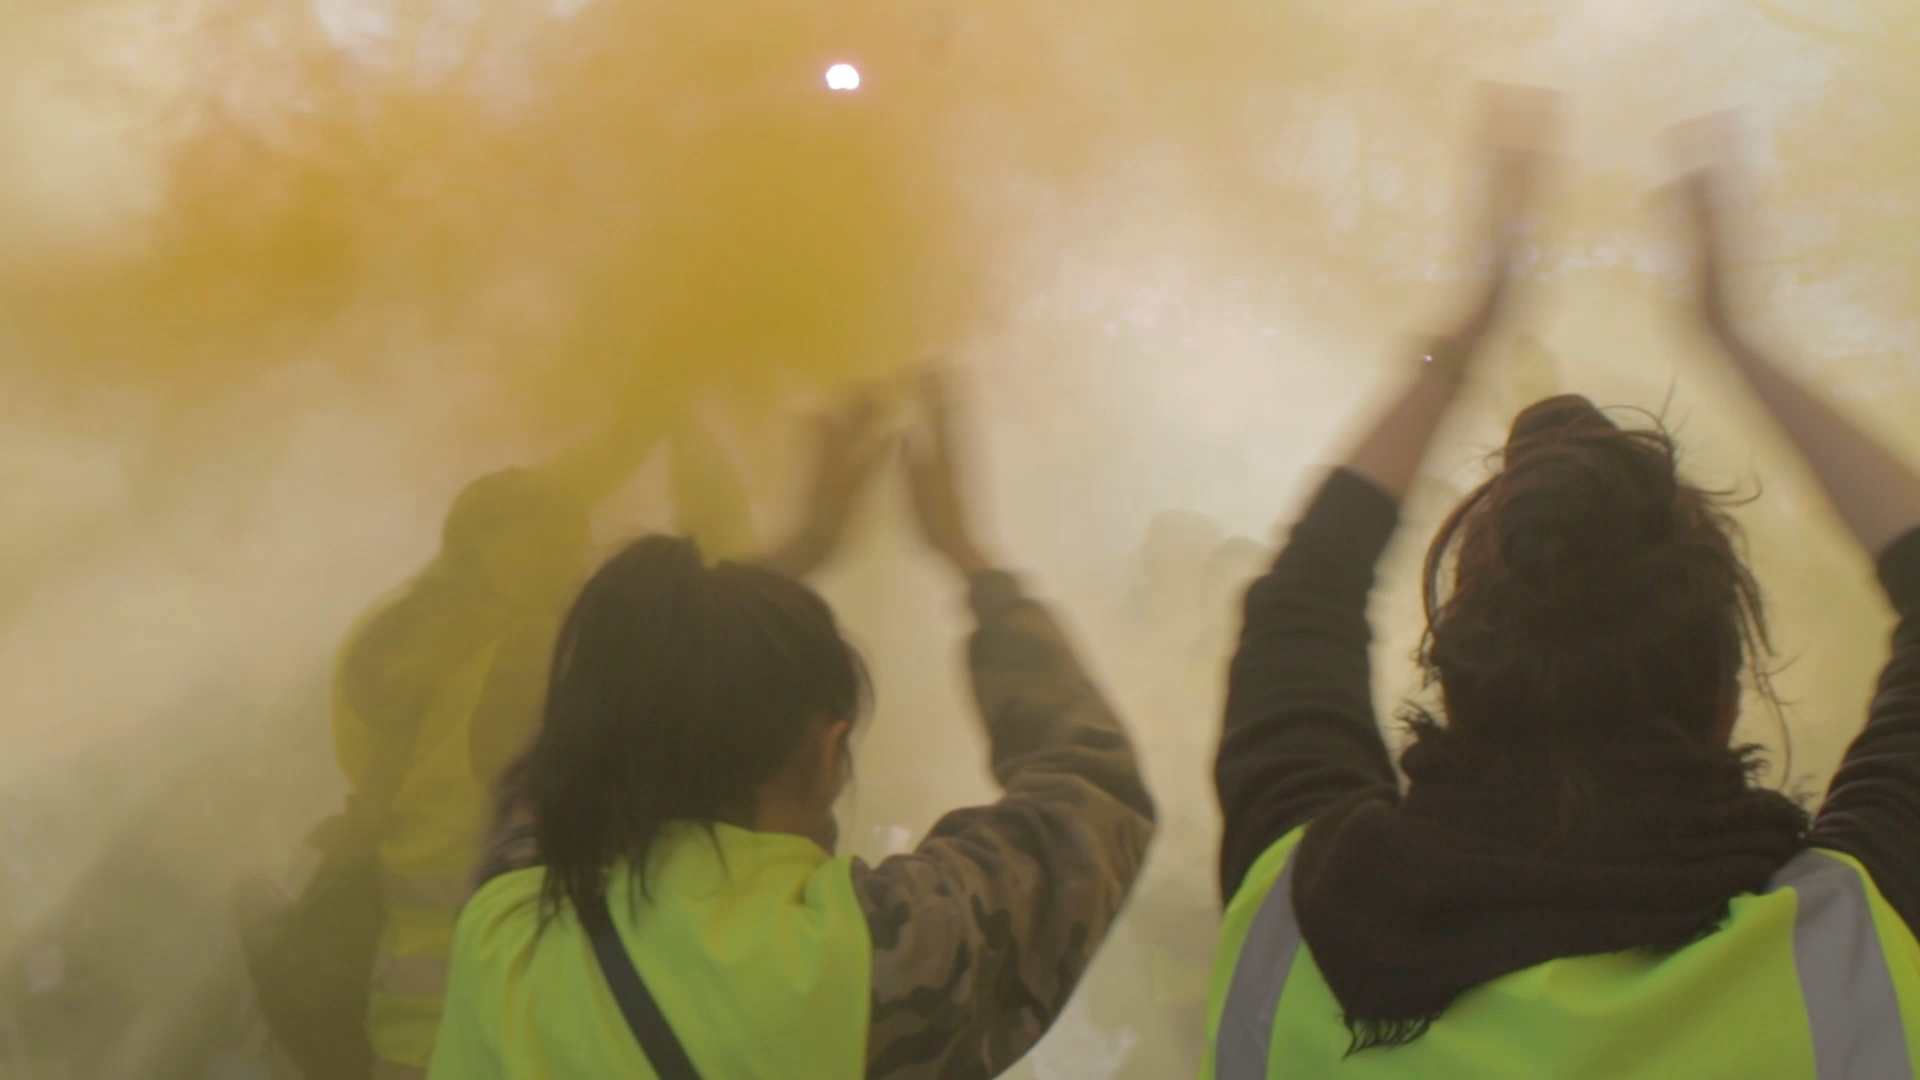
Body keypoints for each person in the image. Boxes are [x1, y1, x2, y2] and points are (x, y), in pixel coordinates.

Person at [1202, 98, 1920, 1078]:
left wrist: (1474, 318)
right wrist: (1736, 335)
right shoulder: (1840, 967)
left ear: (1456, 688)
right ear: (1720, 702)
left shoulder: (1296, 939)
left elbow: (1301, 597)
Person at [427, 371, 1156, 1080]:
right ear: (827, 750)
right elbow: (1092, 788)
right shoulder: (877, 961)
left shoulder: (511, 919)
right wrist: (974, 564)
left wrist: (796, 551)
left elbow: (586, 729)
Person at [238, 401, 761, 1080]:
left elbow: (512, 512)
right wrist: (682, 430)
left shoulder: (398, 650)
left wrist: (635, 430)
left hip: (412, 1036)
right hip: (541, 1035)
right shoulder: (567, 665)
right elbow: (726, 579)